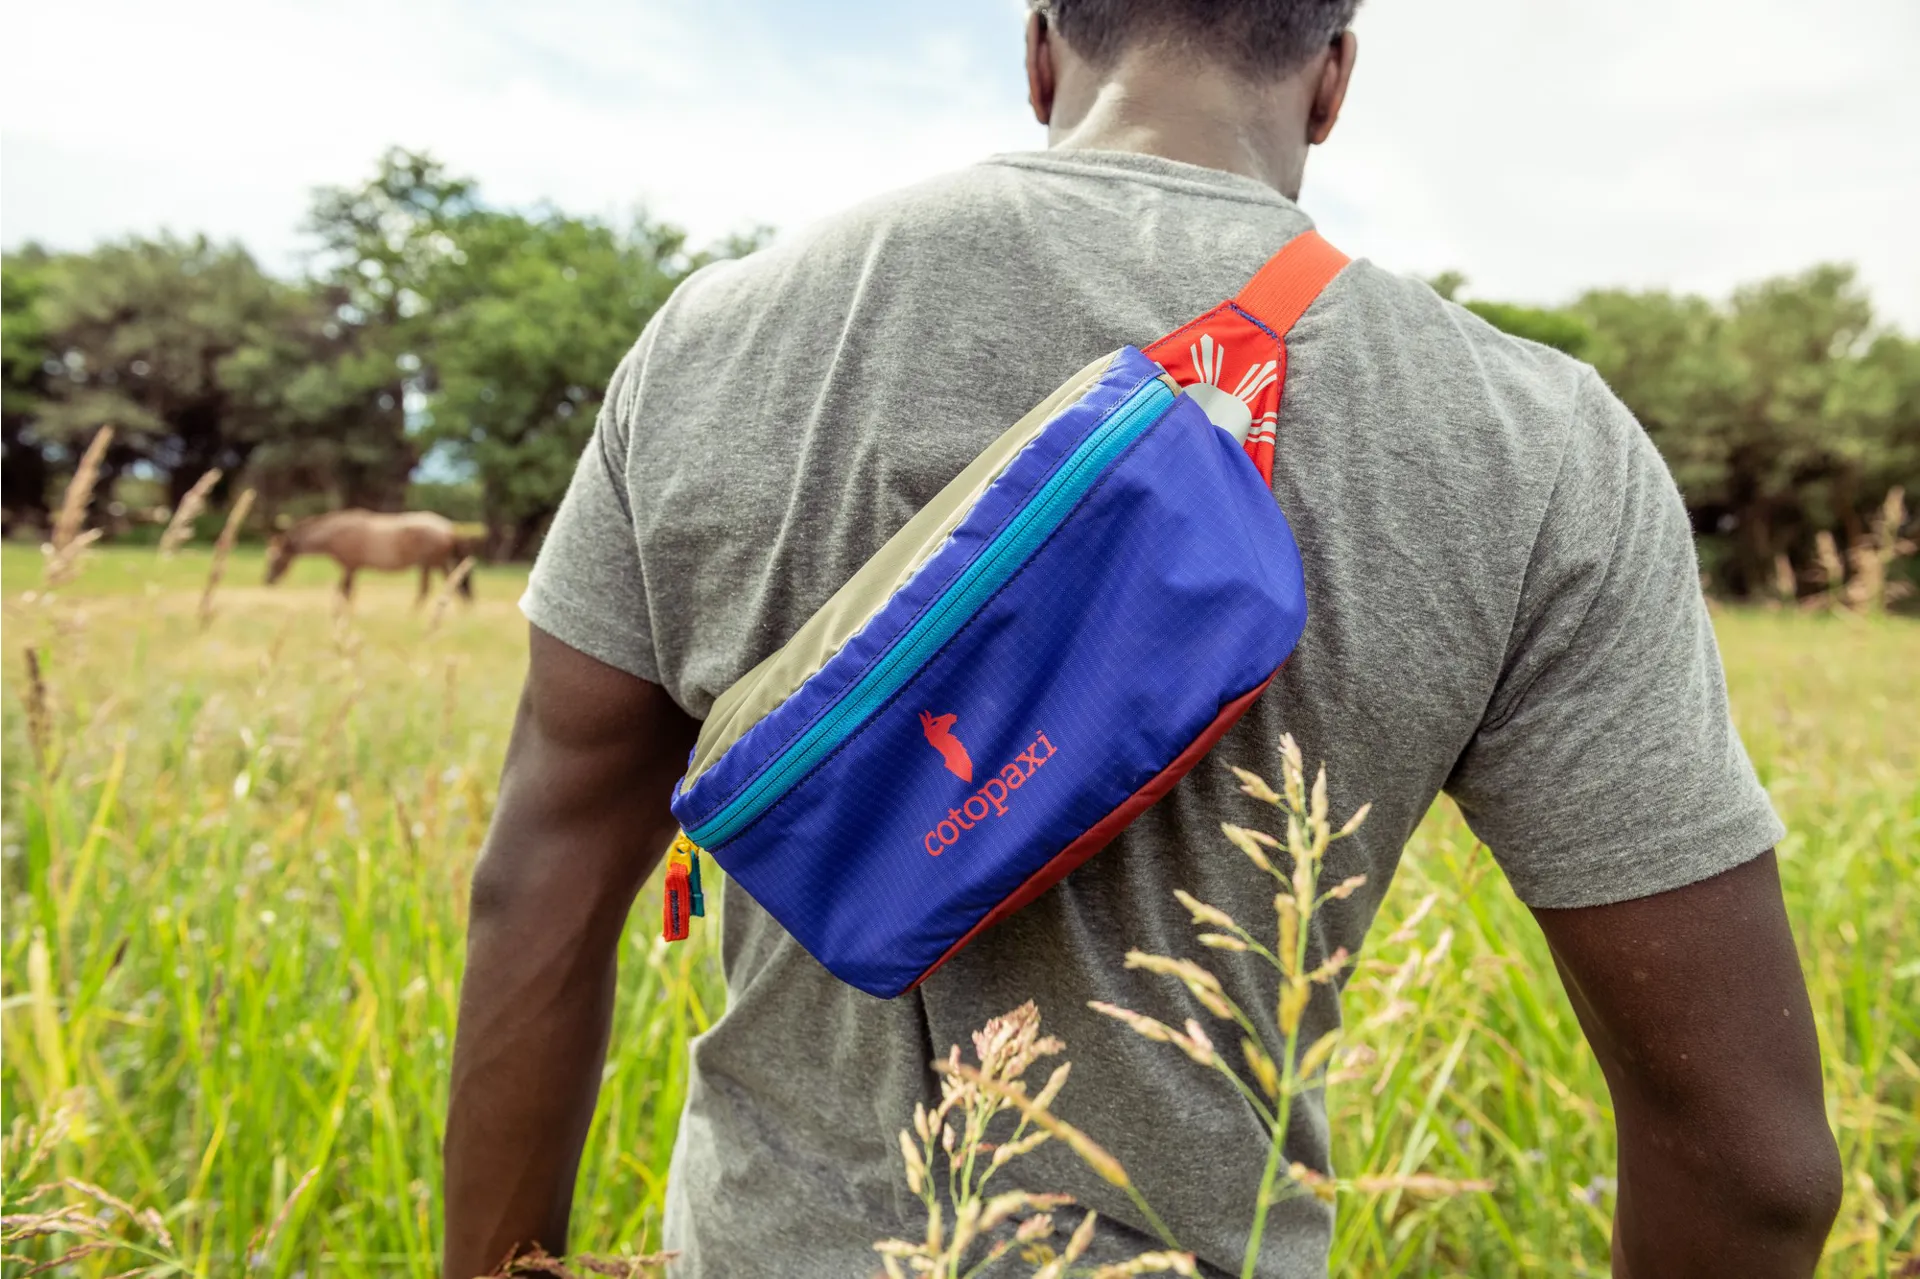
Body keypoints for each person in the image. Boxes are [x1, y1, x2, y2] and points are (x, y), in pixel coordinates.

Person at [441, 2, 1843, 1275]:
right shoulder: (1536, 444)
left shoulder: (710, 340)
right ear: (1332, 80)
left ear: (1040, 48)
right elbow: (1755, 1165)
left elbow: (536, 898)